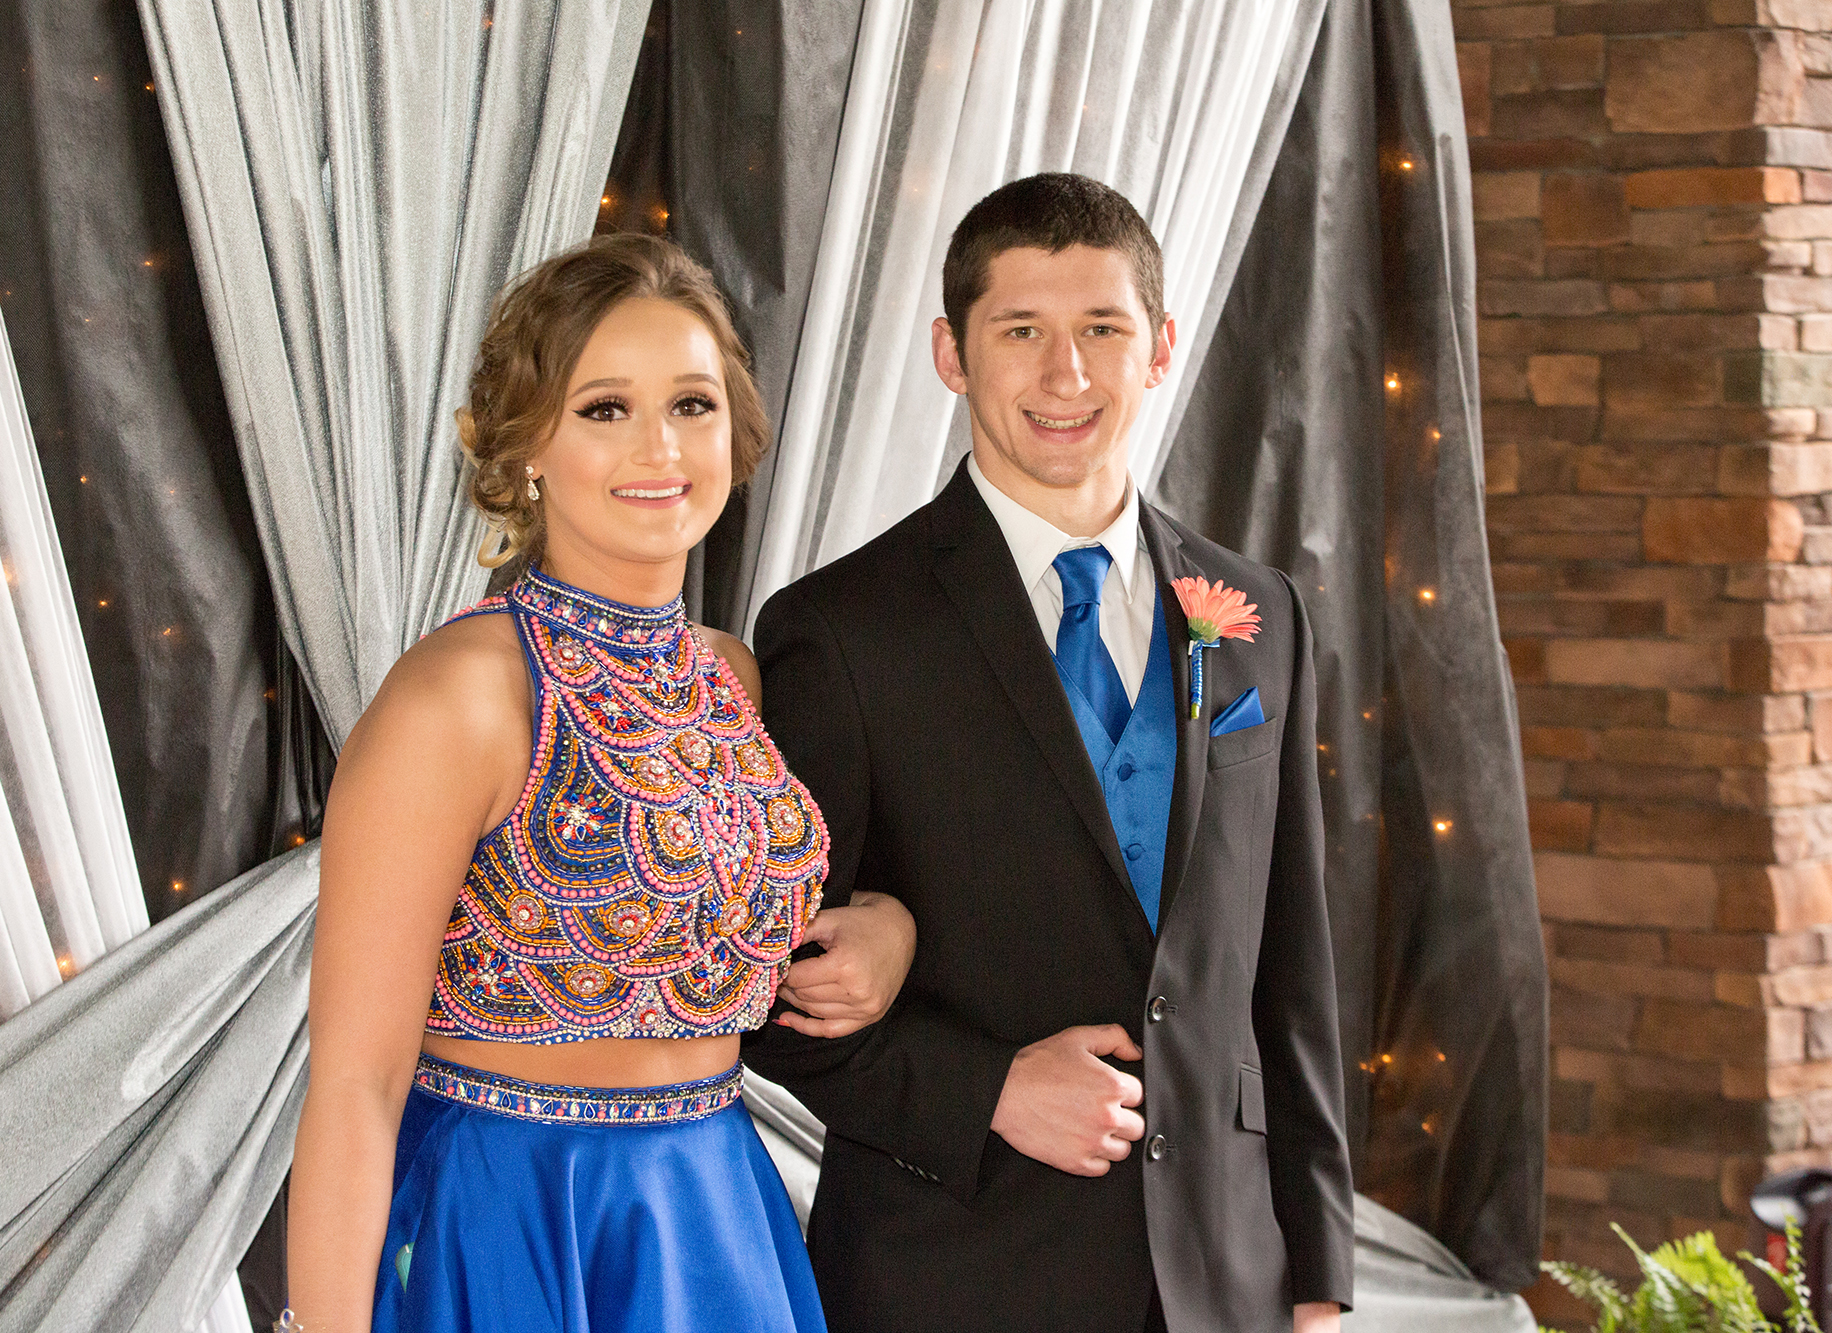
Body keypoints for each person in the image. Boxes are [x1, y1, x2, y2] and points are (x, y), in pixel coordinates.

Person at [742, 173, 1354, 1332]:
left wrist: (1315, 1276)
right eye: (1020, 330)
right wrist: (990, 1090)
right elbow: (759, 992)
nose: (1064, 373)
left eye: (1101, 329)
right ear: (951, 354)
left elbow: (1291, 969)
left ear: (1158, 347)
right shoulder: (841, 628)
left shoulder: (1260, 614)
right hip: (954, 1276)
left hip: (1223, 1285)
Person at [284, 233, 919, 1333]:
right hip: (509, 1220)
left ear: (733, 430)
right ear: (529, 443)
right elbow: (353, 1084)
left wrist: (889, 927)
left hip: (712, 1212)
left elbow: (713, 924)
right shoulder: (457, 696)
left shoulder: (729, 676)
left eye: (690, 404)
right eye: (605, 408)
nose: (658, 445)